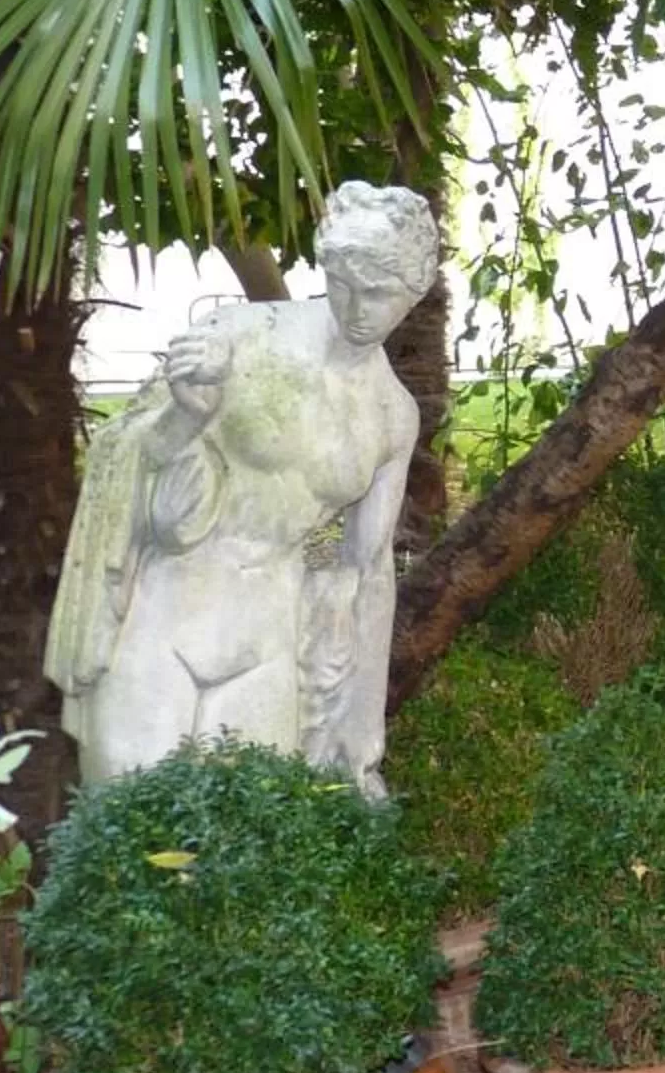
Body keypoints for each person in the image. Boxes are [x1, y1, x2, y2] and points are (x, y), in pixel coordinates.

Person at [45, 182, 437, 792]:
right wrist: (186, 418)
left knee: (242, 845)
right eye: (344, 285)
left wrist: (360, 728)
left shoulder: (392, 414)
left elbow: (364, 563)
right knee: (132, 825)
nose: (358, 308)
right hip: (163, 619)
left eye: (380, 294)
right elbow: (128, 459)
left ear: (414, 293)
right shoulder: (240, 337)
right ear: (327, 266)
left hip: (268, 642)